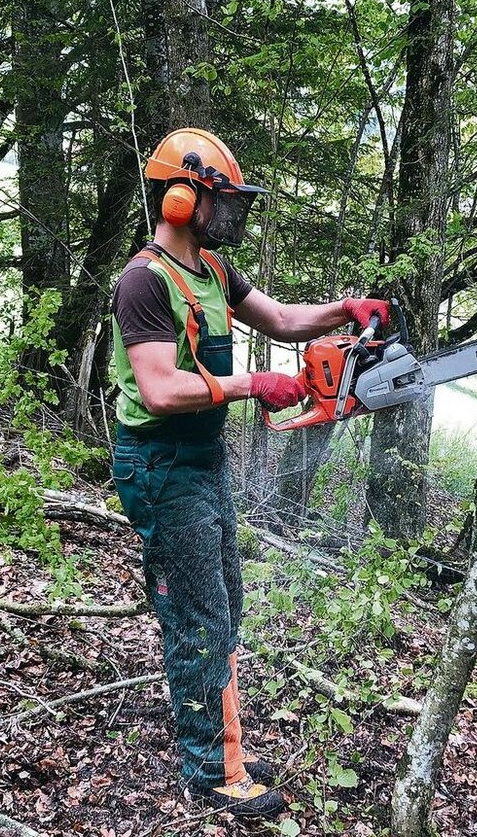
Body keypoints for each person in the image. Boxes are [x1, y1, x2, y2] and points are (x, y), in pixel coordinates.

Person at [109, 128, 389, 817]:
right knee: (197, 614)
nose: (231, 211)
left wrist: (344, 310)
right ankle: (208, 768)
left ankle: (225, 744)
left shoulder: (211, 270)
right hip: (160, 461)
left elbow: (285, 318)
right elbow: (160, 388)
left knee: (224, 604)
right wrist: (251, 384)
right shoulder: (144, 281)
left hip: (201, 458)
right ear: (182, 198)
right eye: (221, 198)